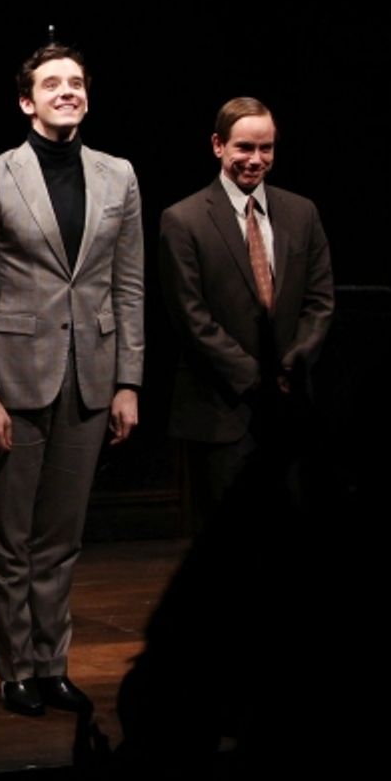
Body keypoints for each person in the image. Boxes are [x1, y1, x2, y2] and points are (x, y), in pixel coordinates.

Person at [0, 43, 144, 717]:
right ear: (26, 101)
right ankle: (15, 668)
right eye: (52, 83)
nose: (67, 91)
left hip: (89, 379)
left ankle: (51, 661)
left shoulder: (118, 175)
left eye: (77, 82)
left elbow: (128, 287)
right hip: (15, 378)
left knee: (62, 535)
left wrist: (128, 381)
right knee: (12, 535)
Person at [159, 96, 334, 528]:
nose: (256, 160)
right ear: (218, 146)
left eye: (266, 148)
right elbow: (191, 317)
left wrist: (289, 367)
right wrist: (256, 378)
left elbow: (320, 301)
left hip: (291, 408)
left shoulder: (301, 212)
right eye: (244, 148)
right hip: (223, 411)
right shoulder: (183, 220)